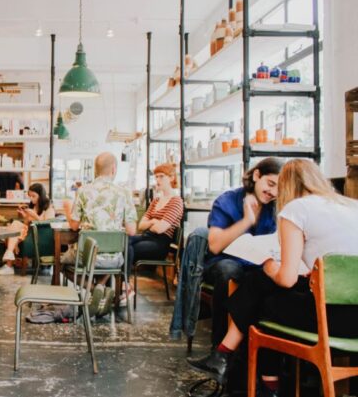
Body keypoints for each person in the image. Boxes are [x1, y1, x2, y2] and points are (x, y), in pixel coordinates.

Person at [188, 159, 358, 397]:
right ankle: (230, 360)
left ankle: (243, 370)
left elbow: (287, 278)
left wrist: (269, 266)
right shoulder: (352, 205)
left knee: (265, 295)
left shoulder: (296, 210)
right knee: (265, 288)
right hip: (354, 318)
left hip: (329, 319)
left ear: (286, 186)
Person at [203, 157, 282, 346]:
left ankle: (266, 358)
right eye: (270, 184)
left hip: (259, 266)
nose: (273, 192)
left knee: (276, 278)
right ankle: (220, 349)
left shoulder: (276, 208)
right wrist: (247, 221)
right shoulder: (227, 201)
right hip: (224, 263)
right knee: (230, 270)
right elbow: (214, 245)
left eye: (279, 188)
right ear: (256, 175)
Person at [127, 163, 183, 292]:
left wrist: (151, 222)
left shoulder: (176, 201)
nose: (157, 180)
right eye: (156, 177)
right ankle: (123, 285)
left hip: (160, 244)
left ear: (171, 178)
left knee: (127, 247)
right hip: (147, 237)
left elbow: (160, 229)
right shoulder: (156, 200)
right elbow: (141, 225)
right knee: (124, 240)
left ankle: (124, 285)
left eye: (161, 176)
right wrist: (154, 221)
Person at [0, 183, 56, 275]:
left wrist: (34, 215)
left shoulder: (49, 207)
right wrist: (25, 216)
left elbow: (47, 224)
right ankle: (9, 256)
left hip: (40, 236)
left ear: (41, 195)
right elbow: (26, 224)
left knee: (14, 230)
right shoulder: (34, 206)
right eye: (30, 196)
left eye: (34, 196)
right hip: (30, 232)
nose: (31, 199)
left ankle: (9, 263)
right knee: (14, 225)